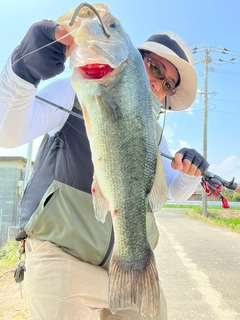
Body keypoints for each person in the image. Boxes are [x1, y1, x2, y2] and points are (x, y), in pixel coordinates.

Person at [0, 16, 208, 320]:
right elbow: (9, 134)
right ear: (134, 60)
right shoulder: (78, 91)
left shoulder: (154, 135)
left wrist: (190, 175)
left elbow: (166, 193)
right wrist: (22, 71)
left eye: (168, 84)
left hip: (123, 263)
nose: (158, 84)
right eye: (155, 68)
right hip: (62, 255)